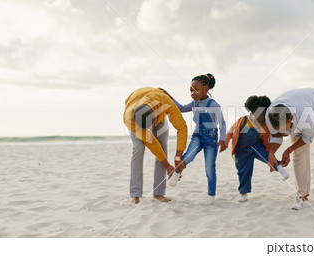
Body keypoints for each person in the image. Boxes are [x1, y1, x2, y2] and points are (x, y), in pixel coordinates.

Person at [265, 88, 314, 209]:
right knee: (298, 155)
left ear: (291, 118)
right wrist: (271, 153)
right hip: (301, 108)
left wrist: (288, 150)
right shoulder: (270, 116)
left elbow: (306, 139)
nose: (284, 133)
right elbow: (276, 136)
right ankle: (302, 194)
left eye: (285, 129)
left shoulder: (306, 115)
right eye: (281, 130)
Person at [162, 74, 227, 205]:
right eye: (191, 90)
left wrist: (222, 139)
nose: (193, 93)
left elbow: (222, 123)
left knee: (209, 168)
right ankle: (177, 172)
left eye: (196, 90)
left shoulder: (213, 105)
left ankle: (211, 195)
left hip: (211, 139)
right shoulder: (194, 103)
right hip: (197, 136)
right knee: (187, 158)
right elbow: (180, 108)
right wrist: (169, 96)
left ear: (206, 89)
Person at [123, 87, 187, 204]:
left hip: (159, 114)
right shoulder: (129, 118)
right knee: (139, 148)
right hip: (136, 121)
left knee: (162, 147)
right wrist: (168, 166)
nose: (149, 130)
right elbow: (151, 143)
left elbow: (182, 128)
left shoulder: (165, 102)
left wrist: (178, 157)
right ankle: (135, 194)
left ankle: (158, 193)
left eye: (150, 126)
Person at [226, 96, 289, 203]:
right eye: (257, 114)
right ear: (251, 112)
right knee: (243, 171)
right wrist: (225, 141)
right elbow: (231, 131)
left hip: (256, 146)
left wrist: (284, 131)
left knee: (268, 156)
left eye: (263, 115)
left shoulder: (264, 124)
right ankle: (243, 193)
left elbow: (276, 133)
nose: (260, 118)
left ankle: (280, 170)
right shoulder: (243, 121)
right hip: (242, 149)